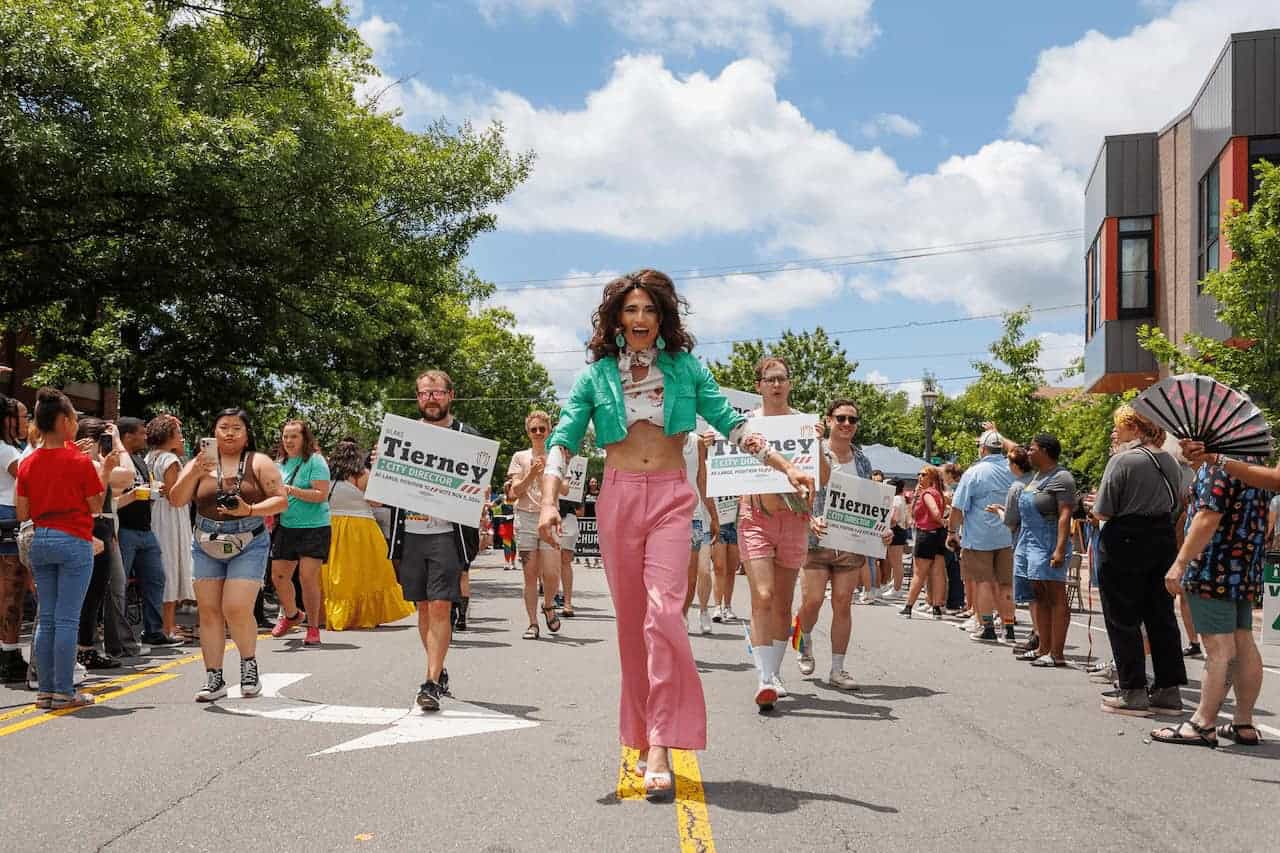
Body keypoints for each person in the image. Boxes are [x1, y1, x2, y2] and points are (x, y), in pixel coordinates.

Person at [536, 269, 810, 801]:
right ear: (617, 319)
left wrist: (783, 465)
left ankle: (661, 742)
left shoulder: (684, 369)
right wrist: (549, 499)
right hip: (616, 498)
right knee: (632, 626)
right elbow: (565, 439)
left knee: (665, 615)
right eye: (631, 311)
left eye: (649, 311)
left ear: (662, 319)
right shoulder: (596, 377)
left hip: (669, 496)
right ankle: (638, 735)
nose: (640, 320)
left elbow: (732, 423)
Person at [1149, 442, 1269, 746]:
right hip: (1244, 566)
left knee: (1218, 649)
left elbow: (1208, 516)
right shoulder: (1254, 462)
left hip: (1213, 566)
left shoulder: (1219, 467)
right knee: (1243, 641)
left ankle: (1202, 724)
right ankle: (1243, 723)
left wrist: (1180, 563)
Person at [380, 370, 484, 711]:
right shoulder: (400, 436)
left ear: (450, 395)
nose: (431, 399)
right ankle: (437, 670)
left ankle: (429, 682)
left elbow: (478, 488)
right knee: (423, 607)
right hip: (410, 535)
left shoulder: (467, 436)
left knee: (441, 605)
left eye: (437, 393)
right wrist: (378, 468)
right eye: (424, 394)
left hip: (446, 536)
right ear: (417, 398)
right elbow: (380, 492)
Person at [169, 408, 287, 701]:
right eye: (223, 427)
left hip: (249, 540)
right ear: (213, 432)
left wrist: (250, 510)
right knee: (208, 612)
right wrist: (194, 471)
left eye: (237, 428)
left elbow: (281, 501)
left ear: (247, 435)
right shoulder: (200, 463)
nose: (230, 432)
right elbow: (176, 499)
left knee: (235, 607)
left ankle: (249, 667)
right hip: (206, 539)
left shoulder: (258, 462)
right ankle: (214, 679)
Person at [1090, 406, 1188, 716]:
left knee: (1122, 616)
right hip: (1160, 536)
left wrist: (1089, 504)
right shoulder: (1168, 460)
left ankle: (1132, 689)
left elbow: (1103, 510)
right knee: (1160, 614)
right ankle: (1168, 689)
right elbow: (1178, 501)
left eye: (1119, 427)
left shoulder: (1122, 460)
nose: (1115, 432)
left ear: (1134, 428)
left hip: (1125, 538)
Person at [15, 388, 105, 709]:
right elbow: (96, 505)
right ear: (65, 421)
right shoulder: (80, 461)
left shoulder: (27, 462)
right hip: (74, 539)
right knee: (67, 620)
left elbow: (22, 512)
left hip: (41, 539)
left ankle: (45, 691)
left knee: (48, 619)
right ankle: (65, 692)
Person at [735, 356, 816, 706]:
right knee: (763, 597)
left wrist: (821, 448)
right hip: (755, 517)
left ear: (790, 383)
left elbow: (821, 478)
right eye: (770, 379)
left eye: (782, 378)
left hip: (793, 520)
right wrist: (712, 445)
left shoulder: (803, 425)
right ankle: (764, 678)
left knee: (783, 604)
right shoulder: (744, 424)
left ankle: (775, 670)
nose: (777, 384)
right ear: (758, 386)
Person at [796, 399, 891, 689]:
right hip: (816, 541)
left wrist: (881, 530)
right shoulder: (812, 450)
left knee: (842, 604)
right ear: (828, 420)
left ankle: (838, 669)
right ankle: (804, 639)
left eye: (852, 419)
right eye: (841, 418)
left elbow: (871, 500)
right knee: (812, 601)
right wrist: (809, 519)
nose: (847, 424)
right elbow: (796, 491)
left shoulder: (861, 459)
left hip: (850, 543)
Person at [321, 440, 415, 630]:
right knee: (364, 573)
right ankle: (365, 613)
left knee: (336, 573)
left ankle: (333, 614)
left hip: (332, 526)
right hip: (361, 527)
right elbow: (376, 503)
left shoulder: (326, 475)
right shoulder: (362, 475)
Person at [116, 416, 181, 647]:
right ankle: (120, 639)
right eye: (141, 433)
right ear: (127, 436)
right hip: (124, 530)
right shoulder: (115, 460)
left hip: (146, 530)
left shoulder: (141, 460)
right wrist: (137, 492)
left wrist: (155, 489)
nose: (146, 437)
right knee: (119, 585)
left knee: (156, 580)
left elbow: (147, 486)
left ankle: (154, 631)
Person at [948, 430, 1016, 643]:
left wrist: (952, 532)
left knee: (983, 582)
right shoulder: (1012, 469)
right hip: (1007, 536)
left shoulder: (975, 472)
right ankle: (1009, 628)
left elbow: (957, 508)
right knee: (1005, 584)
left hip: (979, 537)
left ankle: (987, 626)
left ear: (983, 449)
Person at [269, 420, 331, 646]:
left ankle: (313, 628)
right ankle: (293, 614)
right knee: (278, 576)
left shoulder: (316, 461)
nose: (288, 441)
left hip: (314, 527)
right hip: (287, 527)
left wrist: (291, 490)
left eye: (294, 436)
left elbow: (321, 494)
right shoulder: (279, 464)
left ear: (305, 439)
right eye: (285, 436)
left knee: (307, 577)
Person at [506, 410, 565, 639]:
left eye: (542, 429)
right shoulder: (519, 456)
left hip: (549, 517)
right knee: (529, 574)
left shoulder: (557, 455)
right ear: (528, 432)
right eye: (534, 429)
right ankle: (532, 623)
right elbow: (513, 492)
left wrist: (547, 479)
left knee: (552, 572)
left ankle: (549, 605)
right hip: (526, 517)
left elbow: (567, 489)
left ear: (549, 430)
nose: (538, 433)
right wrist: (531, 474)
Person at [1018, 434, 1075, 668]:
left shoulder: (1062, 477)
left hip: (1049, 540)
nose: (1028, 453)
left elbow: (1065, 514)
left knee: (1055, 595)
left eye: (1032, 449)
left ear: (1044, 450)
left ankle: (1057, 653)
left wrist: (1060, 549)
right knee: (1039, 595)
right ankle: (1043, 647)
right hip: (1030, 541)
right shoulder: (1037, 476)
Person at [145, 414, 195, 641]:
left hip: (156, 515)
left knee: (163, 567)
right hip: (172, 518)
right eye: (179, 434)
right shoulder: (170, 461)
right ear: (170, 436)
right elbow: (176, 496)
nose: (182, 439)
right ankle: (169, 626)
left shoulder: (149, 456)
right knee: (171, 567)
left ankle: (167, 624)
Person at [986, 446, 1038, 654]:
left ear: (1016, 465)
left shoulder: (1016, 487)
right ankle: (1039, 633)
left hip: (1023, 542)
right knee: (1041, 594)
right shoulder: (1038, 481)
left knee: (1033, 596)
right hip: (1041, 540)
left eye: (1010, 463)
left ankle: (1037, 634)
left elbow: (1010, 522)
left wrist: (998, 510)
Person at [0, 393, 32, 682]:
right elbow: (31, 479)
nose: (27, 422)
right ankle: (8, 654)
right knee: (12, 590)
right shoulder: (8, 452)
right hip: (9, 520)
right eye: (24, 416)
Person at [899, 466, 946, 619]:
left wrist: (941, 520)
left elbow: (935, 512)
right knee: (937, 571)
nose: (920, 476)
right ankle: (937, 607)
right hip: (938, 534)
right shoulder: (937, 493)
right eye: (918, 474)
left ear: (931, 478)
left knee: (919, 573)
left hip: (926, 533)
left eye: (924, 474)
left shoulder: (927, 494)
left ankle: (908, 606)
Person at [682, 431, 717, 634]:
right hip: (669, 514)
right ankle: (676, 616)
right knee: (676, 574)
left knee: (698, 572)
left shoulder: (698, 442)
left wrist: (714, 515)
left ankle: (695, 611)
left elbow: (702, 481)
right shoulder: (662, 437)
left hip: (696, 516)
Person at [708, 492, 740, 623]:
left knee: (731, 570)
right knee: (719, 567)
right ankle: (717, 606)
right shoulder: (713, 475)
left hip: (736, 524)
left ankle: (727, 606)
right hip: (718, 523)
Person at [879, 480, 907, 599]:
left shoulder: (896, 499)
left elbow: (894, 519)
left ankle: (897, 588)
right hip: (899, 531)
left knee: (896, 563)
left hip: (896, 531)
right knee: (895, 562)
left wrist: (884, 526)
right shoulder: (901, 498)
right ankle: (895, 586)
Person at [489, 489, 516, 570]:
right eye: (507, 486)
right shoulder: (501, 497)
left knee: (514, 544)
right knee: (507, 544)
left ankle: (513, 562)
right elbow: (492, 505)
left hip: (515, 524)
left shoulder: (518, 496)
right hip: (505, 524)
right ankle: (507, 562)